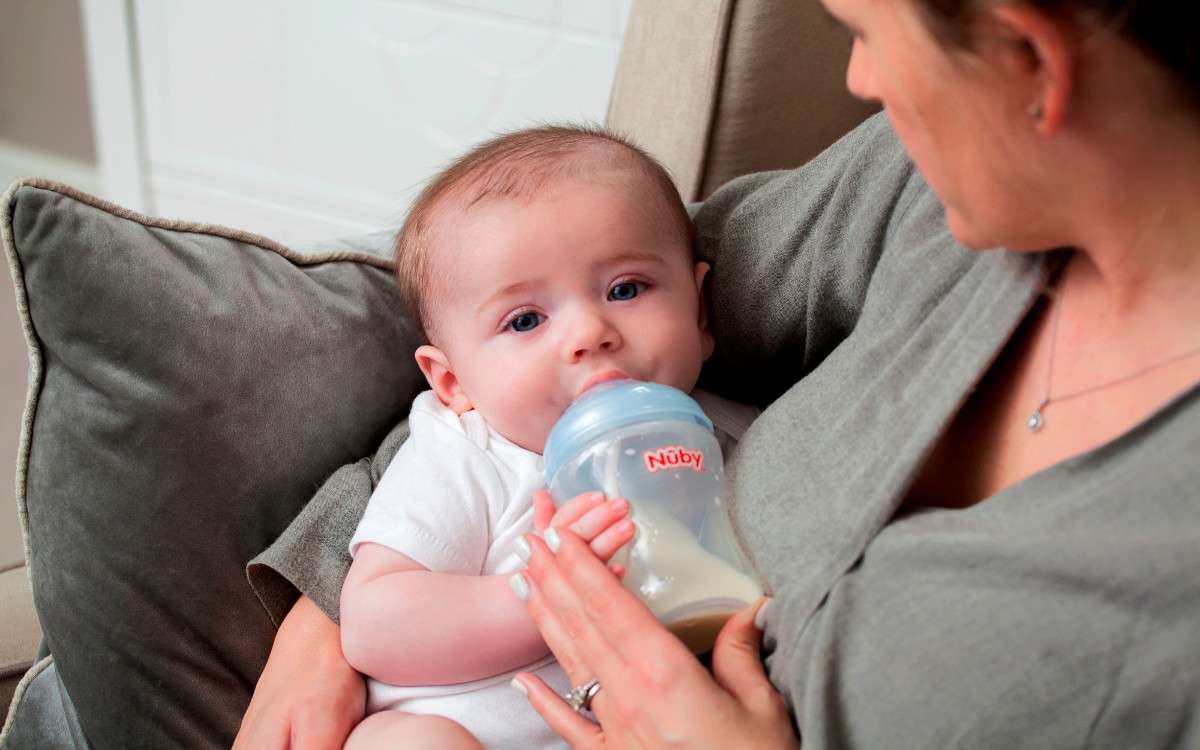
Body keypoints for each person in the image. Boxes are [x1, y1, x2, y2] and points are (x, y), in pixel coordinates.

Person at [235, 0, 1200, 748]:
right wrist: (330, 622)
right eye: (534, 319)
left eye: (866, 31)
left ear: (1033, 60)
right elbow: (529, 317)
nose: (860, 81)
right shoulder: (927, 194)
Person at [335, 125, 757, 750]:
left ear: (698, 314)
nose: (590, 330)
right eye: (525, 320)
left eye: (626, 288)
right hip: (456, 726)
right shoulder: (466, 452)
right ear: (453, 381)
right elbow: (373, 625)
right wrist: (544, 594)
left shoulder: (730, 434)